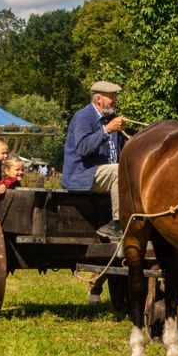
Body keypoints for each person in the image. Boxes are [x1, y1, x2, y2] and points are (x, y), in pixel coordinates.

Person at [61, 80, 127, 239]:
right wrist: (108, 129)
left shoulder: (111, 118)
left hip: (105, 175)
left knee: (132, 169)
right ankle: (117, 224)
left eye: (115, 96)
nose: (115, 100)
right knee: (120, 170)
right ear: (98, 99)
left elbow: (122, 150)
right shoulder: (83, 116)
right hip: (83, 174)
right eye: (111, 97)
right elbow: (83, 148)